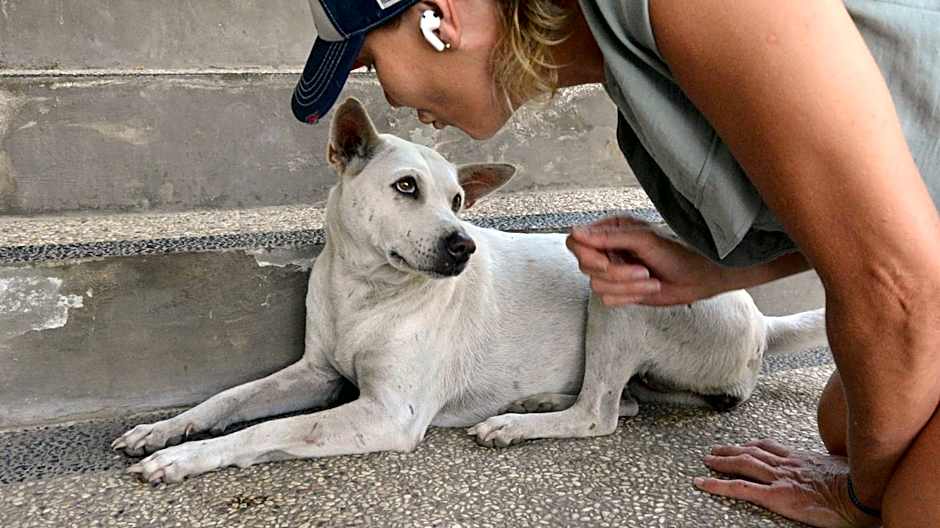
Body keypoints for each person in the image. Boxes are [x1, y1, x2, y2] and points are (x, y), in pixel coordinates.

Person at [292, 0, 940, 525]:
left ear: (439, 18)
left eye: (372, 63)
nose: (393, 100)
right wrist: (720, 274)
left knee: (905, 503)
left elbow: (899, 286)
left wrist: (855, 498)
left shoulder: (689, 8)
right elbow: (861, 224)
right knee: (845, 428)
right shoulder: (633, 76)